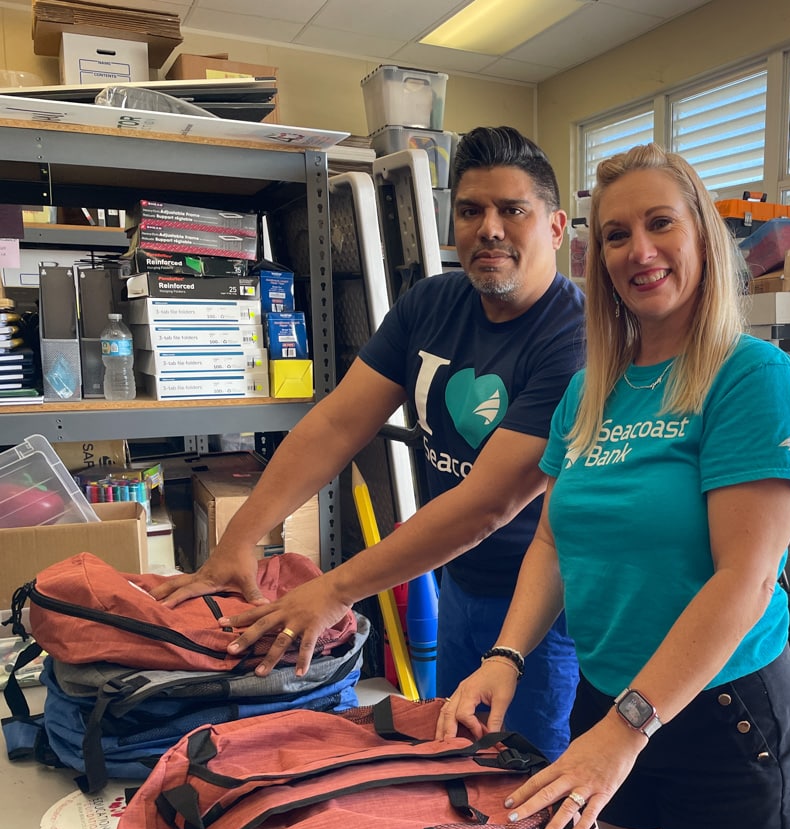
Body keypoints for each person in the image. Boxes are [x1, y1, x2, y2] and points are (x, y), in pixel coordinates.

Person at [437, 143, 790, 829]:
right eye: (616, 235)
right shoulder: (590, 390)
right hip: (606, 693)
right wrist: (506, 656)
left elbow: (744, 580)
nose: (639, 251)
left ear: (702, 235)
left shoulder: (752, 377)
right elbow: (553, 538)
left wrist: (626, 729)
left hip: (722, 709)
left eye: (660, 224)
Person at [151, 126, 586, 766]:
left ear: (555, 227)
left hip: (543, 608)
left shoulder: (575, 339)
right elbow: (335, 426)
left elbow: (488, 504)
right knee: (458, 759)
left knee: (528, 780)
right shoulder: (431, 303)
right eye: (471, 211)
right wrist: (237, 541)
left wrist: (334, 590)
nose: (489, 229)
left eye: (512, 210)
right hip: (458, 582)